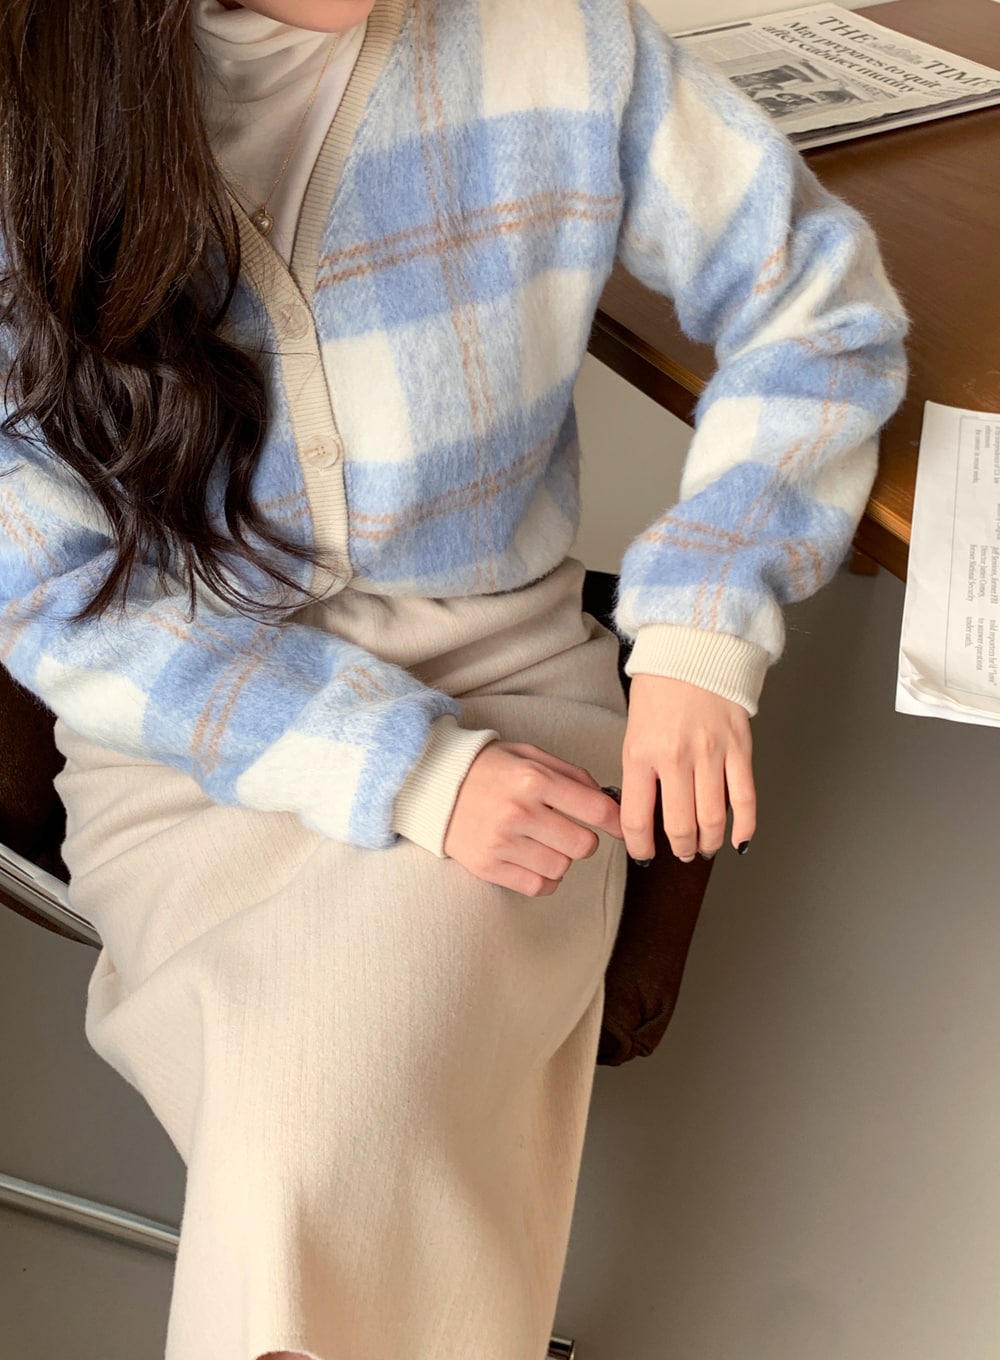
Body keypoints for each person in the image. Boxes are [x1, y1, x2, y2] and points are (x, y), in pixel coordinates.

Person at [0, 0, 907, 1356]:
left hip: (511, 683)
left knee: (310, 1118)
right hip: (194, 727)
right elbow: (56, 591)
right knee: (307, 1117)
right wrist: (406, 771)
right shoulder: (33, 96)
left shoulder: (559, 42)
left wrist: (702, 621)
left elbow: (820, 306)